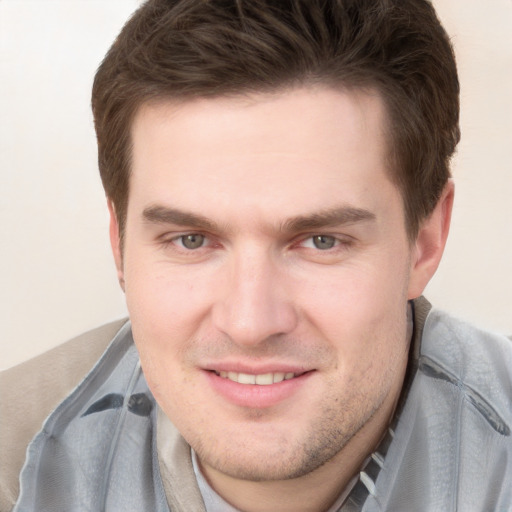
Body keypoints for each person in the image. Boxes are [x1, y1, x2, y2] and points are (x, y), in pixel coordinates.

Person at [1, 0, 511, 510]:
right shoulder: (13, 466)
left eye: (321, 241)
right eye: (191, 240)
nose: (250, 323)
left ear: (425, 241)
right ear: (120, 245)